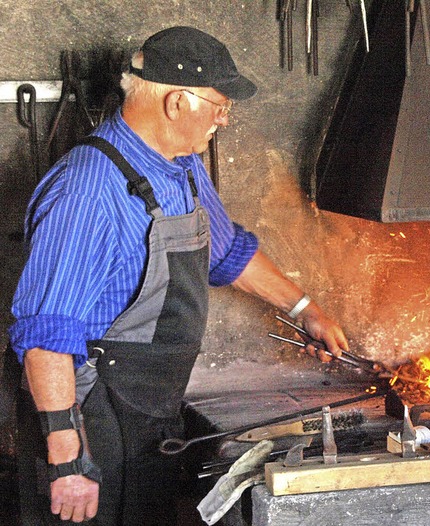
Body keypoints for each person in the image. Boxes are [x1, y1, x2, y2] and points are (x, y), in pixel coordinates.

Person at [9, 26, 348, 526]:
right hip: (88, 420)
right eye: (219, 104)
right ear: (176, 102)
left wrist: (306, 309)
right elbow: (46, 340)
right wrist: (67, 461)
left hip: (147, 412)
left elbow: (226, 251)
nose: (225, 119)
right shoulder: (88, 190)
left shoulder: (182, 167)